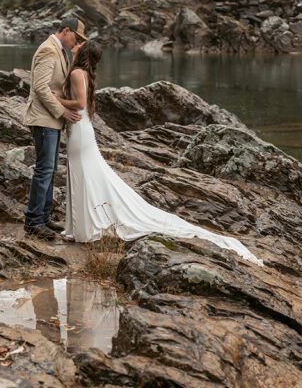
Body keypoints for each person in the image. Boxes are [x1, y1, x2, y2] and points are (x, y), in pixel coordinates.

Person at [53, 41, 263, 265]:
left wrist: (57, 99)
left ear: (84, 53)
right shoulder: (82, 72)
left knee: (83, 175)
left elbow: (80, 103)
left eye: (80, 44)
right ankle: (81, 226)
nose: (76, 44)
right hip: (81, 129)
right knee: (84, 175)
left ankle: (83, 228)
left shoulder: (77, 72)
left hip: (80, 130)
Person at [22, 16, 88, 240]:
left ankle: (44, 217)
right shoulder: (48, 50)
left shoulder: (59, 50)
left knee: (50, 170)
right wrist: (62, 111)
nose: (76, 41)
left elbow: (54, 86)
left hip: (50, 120)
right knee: (44, 169)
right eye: (76, 37)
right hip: (44, 119)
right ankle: (33, 221)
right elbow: (40, 87)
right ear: (66, 30)